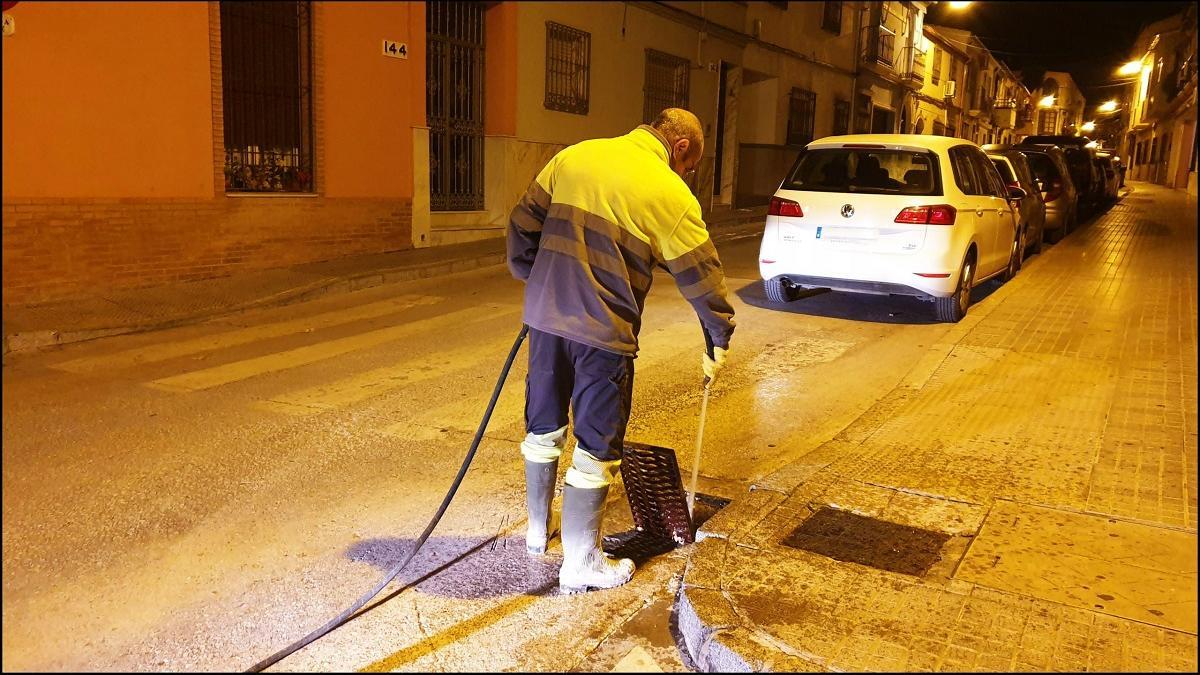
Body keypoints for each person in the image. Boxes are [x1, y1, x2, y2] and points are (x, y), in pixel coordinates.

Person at [506, 108, 736, 594]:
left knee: (543, 425)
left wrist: (539, 283)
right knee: (596, 445)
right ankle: (581, 562)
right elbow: (702, 277)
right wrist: (718, 335)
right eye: (689, 166)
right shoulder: (669, 192)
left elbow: (523, 224)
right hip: (603, 334)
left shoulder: (575, 157)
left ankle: (536, 532)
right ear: (680, 148)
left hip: (545, 320)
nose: (686, 175)